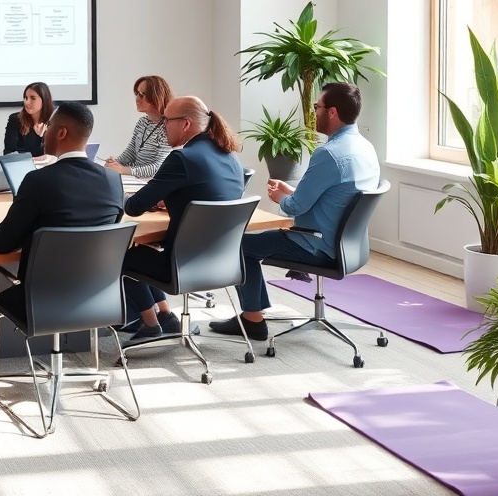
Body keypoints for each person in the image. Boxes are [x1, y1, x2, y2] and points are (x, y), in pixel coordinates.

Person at [209, 82, 380, 341]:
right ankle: (253, 314)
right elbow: (334, 195)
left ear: (332, 112)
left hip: (316, 243)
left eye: (317, 107)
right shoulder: (364, 147)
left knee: (238, 245)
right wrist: (291, 189)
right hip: (348, 245)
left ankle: (253, 319)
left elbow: (296, 207)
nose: (314, 113)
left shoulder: (329, 154)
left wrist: (282, 197)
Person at [0, 101, 124, 320]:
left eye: (48, 127)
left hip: (39, 300)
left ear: (61, 133)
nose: (43, 133)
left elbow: (3, 243)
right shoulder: (113, 180)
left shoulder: (38, 181)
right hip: (97, 297)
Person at [120, 96, 244, 343]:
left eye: (166, 120)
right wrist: (172, 198)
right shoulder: (230, 156)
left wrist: (112, 190)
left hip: (183, 266)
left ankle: (150, 324)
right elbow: (205, 194)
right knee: (143, 250)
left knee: (120, 255)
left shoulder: (182, 158)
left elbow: (133, 207)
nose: (162, 126)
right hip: (224, 263)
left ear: (185, 124)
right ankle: (166, 316)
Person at [104, 76, 174, 178]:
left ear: (155, 96)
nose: (137, 98)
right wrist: (115, 162)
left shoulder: (168, 126)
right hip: (136, 179)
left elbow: (158, 167)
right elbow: (131, 151)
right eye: (136, 94)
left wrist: (123, 170)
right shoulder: (143, 122)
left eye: (141, 94)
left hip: (151, 182)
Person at [3, 81, 54, 157]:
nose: (27, 102)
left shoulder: (55, 120)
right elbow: (8, 152)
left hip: (49, 167)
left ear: (44, 99)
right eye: (26, 98)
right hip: (25, 167)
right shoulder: (15, 119)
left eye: (33, 98)